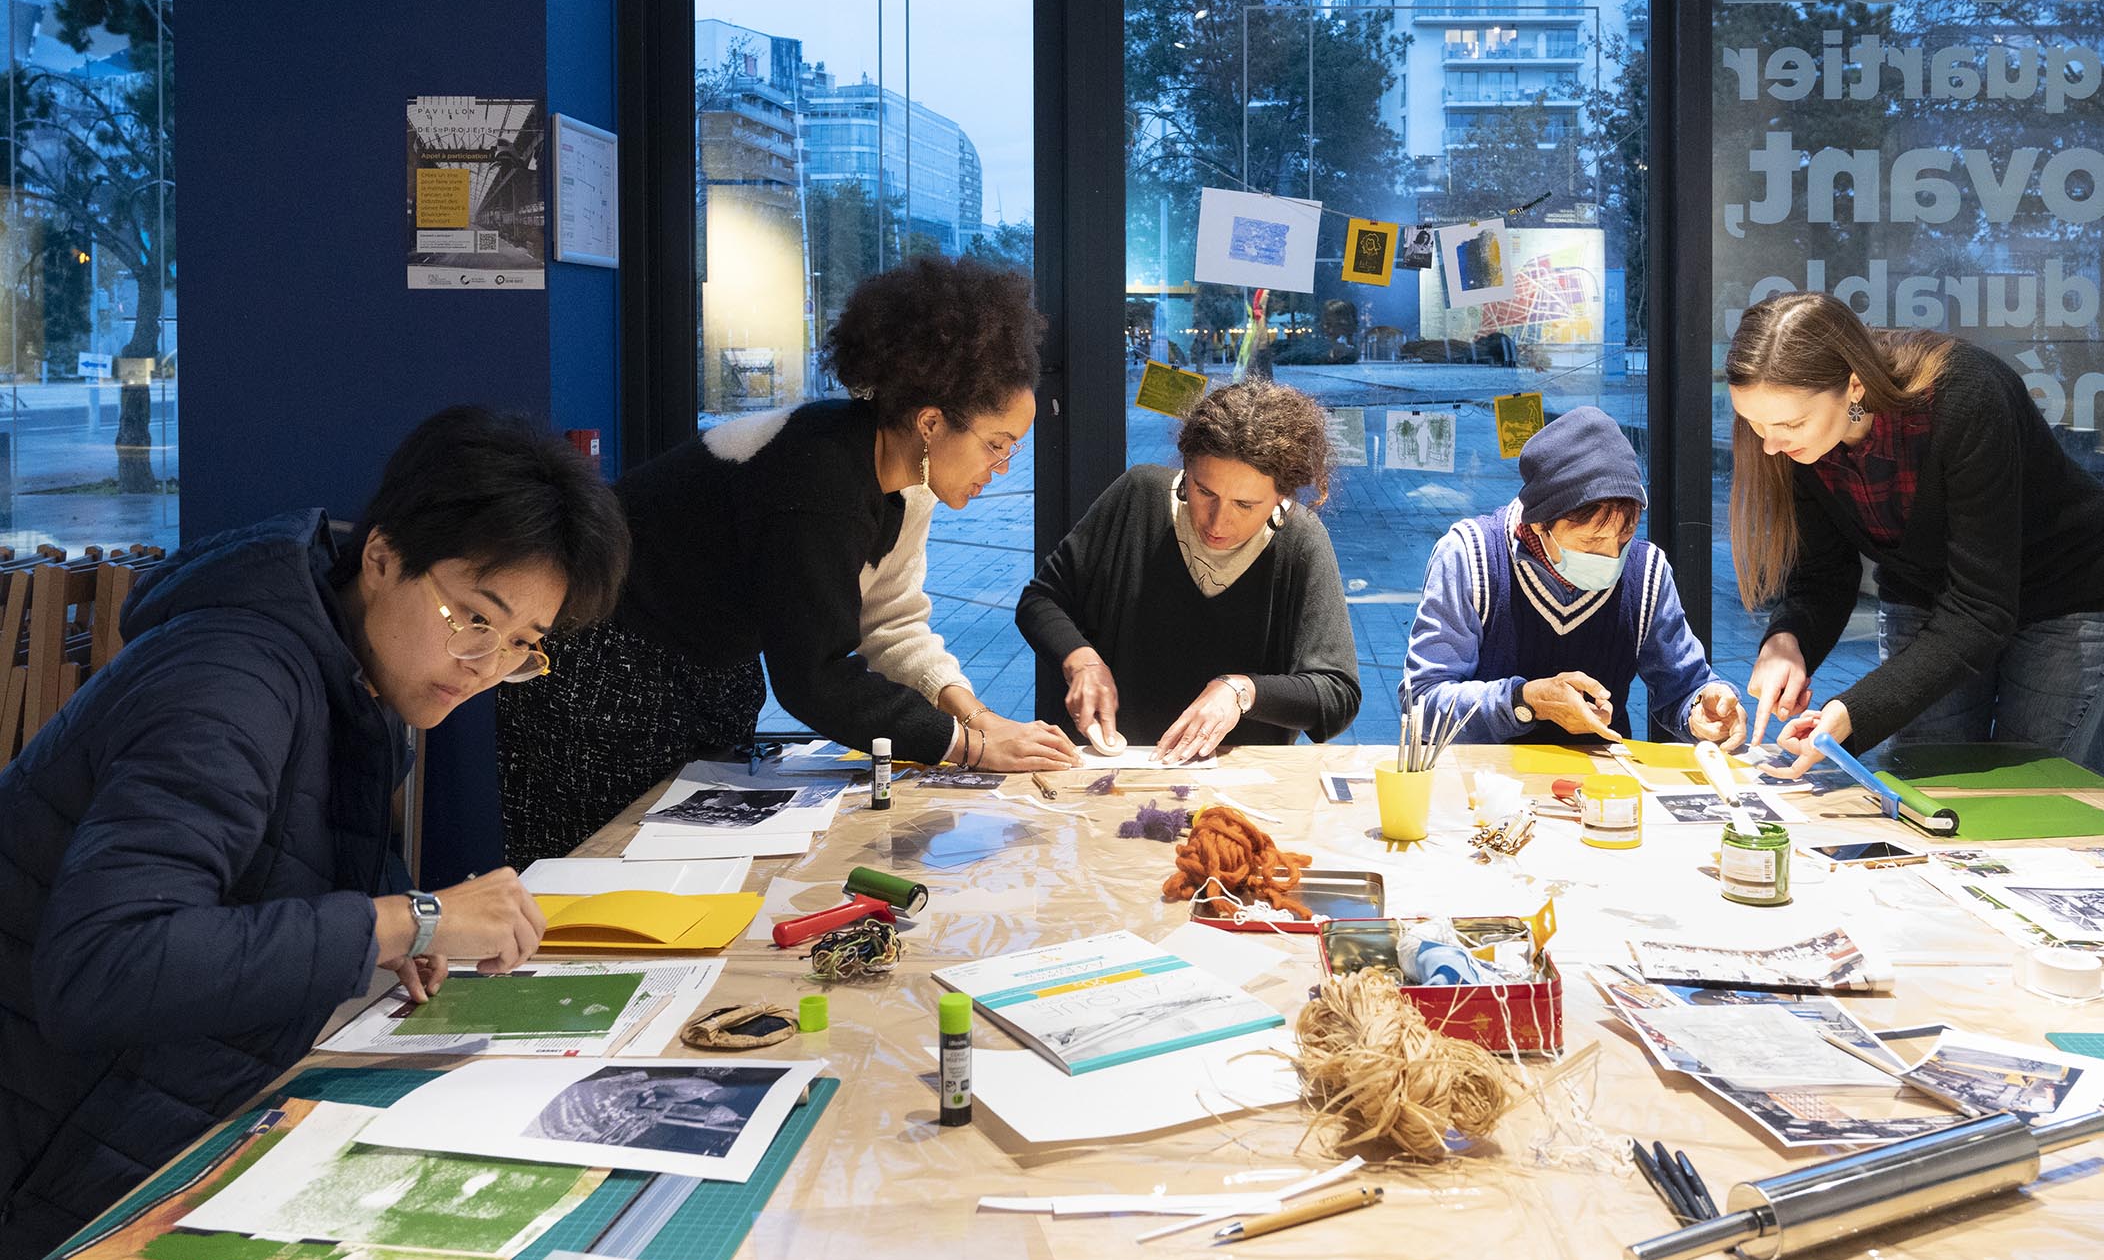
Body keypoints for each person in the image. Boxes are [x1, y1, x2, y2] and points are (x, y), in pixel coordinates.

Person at [0, 407, 630, 1260]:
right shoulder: (230, 684)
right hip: (46, 1164)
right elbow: (105, 964)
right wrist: (408, 921)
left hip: (145, 1120)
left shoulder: (353, 674)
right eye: (473, 619)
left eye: (521, 645)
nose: (484, 666)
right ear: (380, 558)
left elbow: (280, 869)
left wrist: (382, 930)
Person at [498, 257, 1078, 867]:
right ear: (930, 423)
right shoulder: (818, 477)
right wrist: (967, 748)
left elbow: (891, 622)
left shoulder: (908, 477)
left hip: (703, 669)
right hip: (605, 674)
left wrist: (975, 715)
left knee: (686, 876)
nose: (1003, 468)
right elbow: (814, 676)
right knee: (595, 882)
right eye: (997, 445)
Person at [1726, 292, 2104, 777]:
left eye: (1790, 423)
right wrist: (1787, 640)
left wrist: (1854, 712)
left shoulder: (1966, 395)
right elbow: (1823, 576)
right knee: (1928, 780)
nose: (1771, 444)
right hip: (1928, 596)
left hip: (2061, 592)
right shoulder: (1791, 444)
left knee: (2029, 785)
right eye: (1755, 424)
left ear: (1855, 387)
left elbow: (1980, 609)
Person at [1016, 379, 1361, 762]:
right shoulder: (1138, 496)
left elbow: (1336, 693)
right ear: (1186, 468)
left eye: (1245, 505)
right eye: (1204, 492)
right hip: (1114, 769)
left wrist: (1240, 691)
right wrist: (1082, 660)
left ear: (1282, 495)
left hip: (1238, 789)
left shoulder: (1300, 541)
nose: (1218, 521)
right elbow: (1040, 600)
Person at [1407, 406, 1746, 747]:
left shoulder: (1646, 571)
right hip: (1482, 785)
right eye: (1592, 541)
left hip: (1602, 787)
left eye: (1624, 537)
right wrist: (1523, 701)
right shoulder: (1469, 557)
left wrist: (1704, 708)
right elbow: (1423, 701)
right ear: (1539, 523)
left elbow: (1684, 685)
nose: (1613, 556)